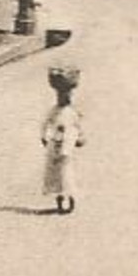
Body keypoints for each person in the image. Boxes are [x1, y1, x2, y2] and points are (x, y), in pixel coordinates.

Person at [41, 76, 85, 214]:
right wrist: (45, 136)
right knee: (55, 175)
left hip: (66, 147)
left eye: (65, 96)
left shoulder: (71, 112)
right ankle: (59, 199)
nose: (62, 99)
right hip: (54, 146)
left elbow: (77, 127)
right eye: (60, 96)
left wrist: (79, 137)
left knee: (66, 174)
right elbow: (46, 124)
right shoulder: (54, 111)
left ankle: (71, 198)